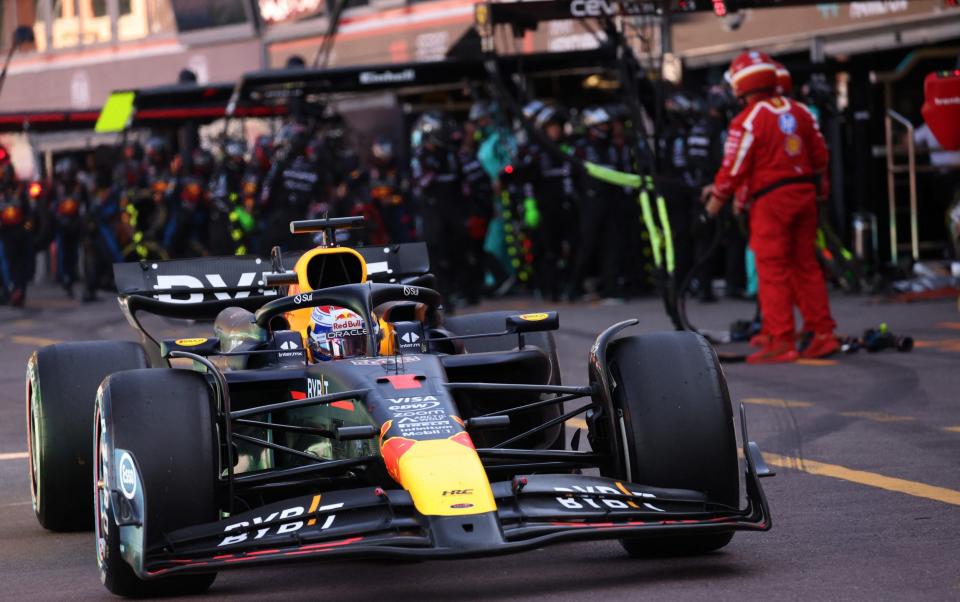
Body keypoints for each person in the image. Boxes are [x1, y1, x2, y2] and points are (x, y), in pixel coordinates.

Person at [703, 50, 838, 363]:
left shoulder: (747, 119)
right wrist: (821, 193)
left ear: (741, 84)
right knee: (805, 265)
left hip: (771, 201)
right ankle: (822, 333)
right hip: (805, 194)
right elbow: (820, 157)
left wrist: (712, 207)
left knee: (772, 269)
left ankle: (782, 338)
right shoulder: (801, 111)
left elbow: (733, 169)